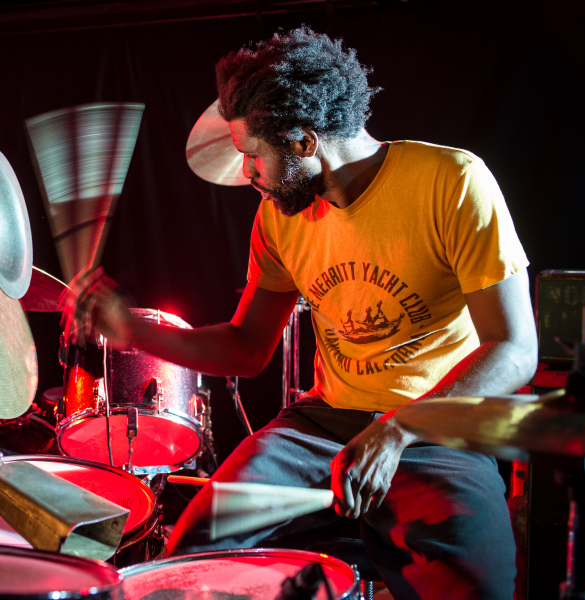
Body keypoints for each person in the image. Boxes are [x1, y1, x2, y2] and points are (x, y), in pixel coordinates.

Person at [70, 27, 538, 599]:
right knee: (192, 552)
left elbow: (515, 350)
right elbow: (245, 348)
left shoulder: (453, 182)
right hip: (324, 424)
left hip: (434, 430)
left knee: (478, 588)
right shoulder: (279, 219)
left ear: (303, 142)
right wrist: (131, 328)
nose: (246, 173)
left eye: (251, 155)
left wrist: (398, 430)